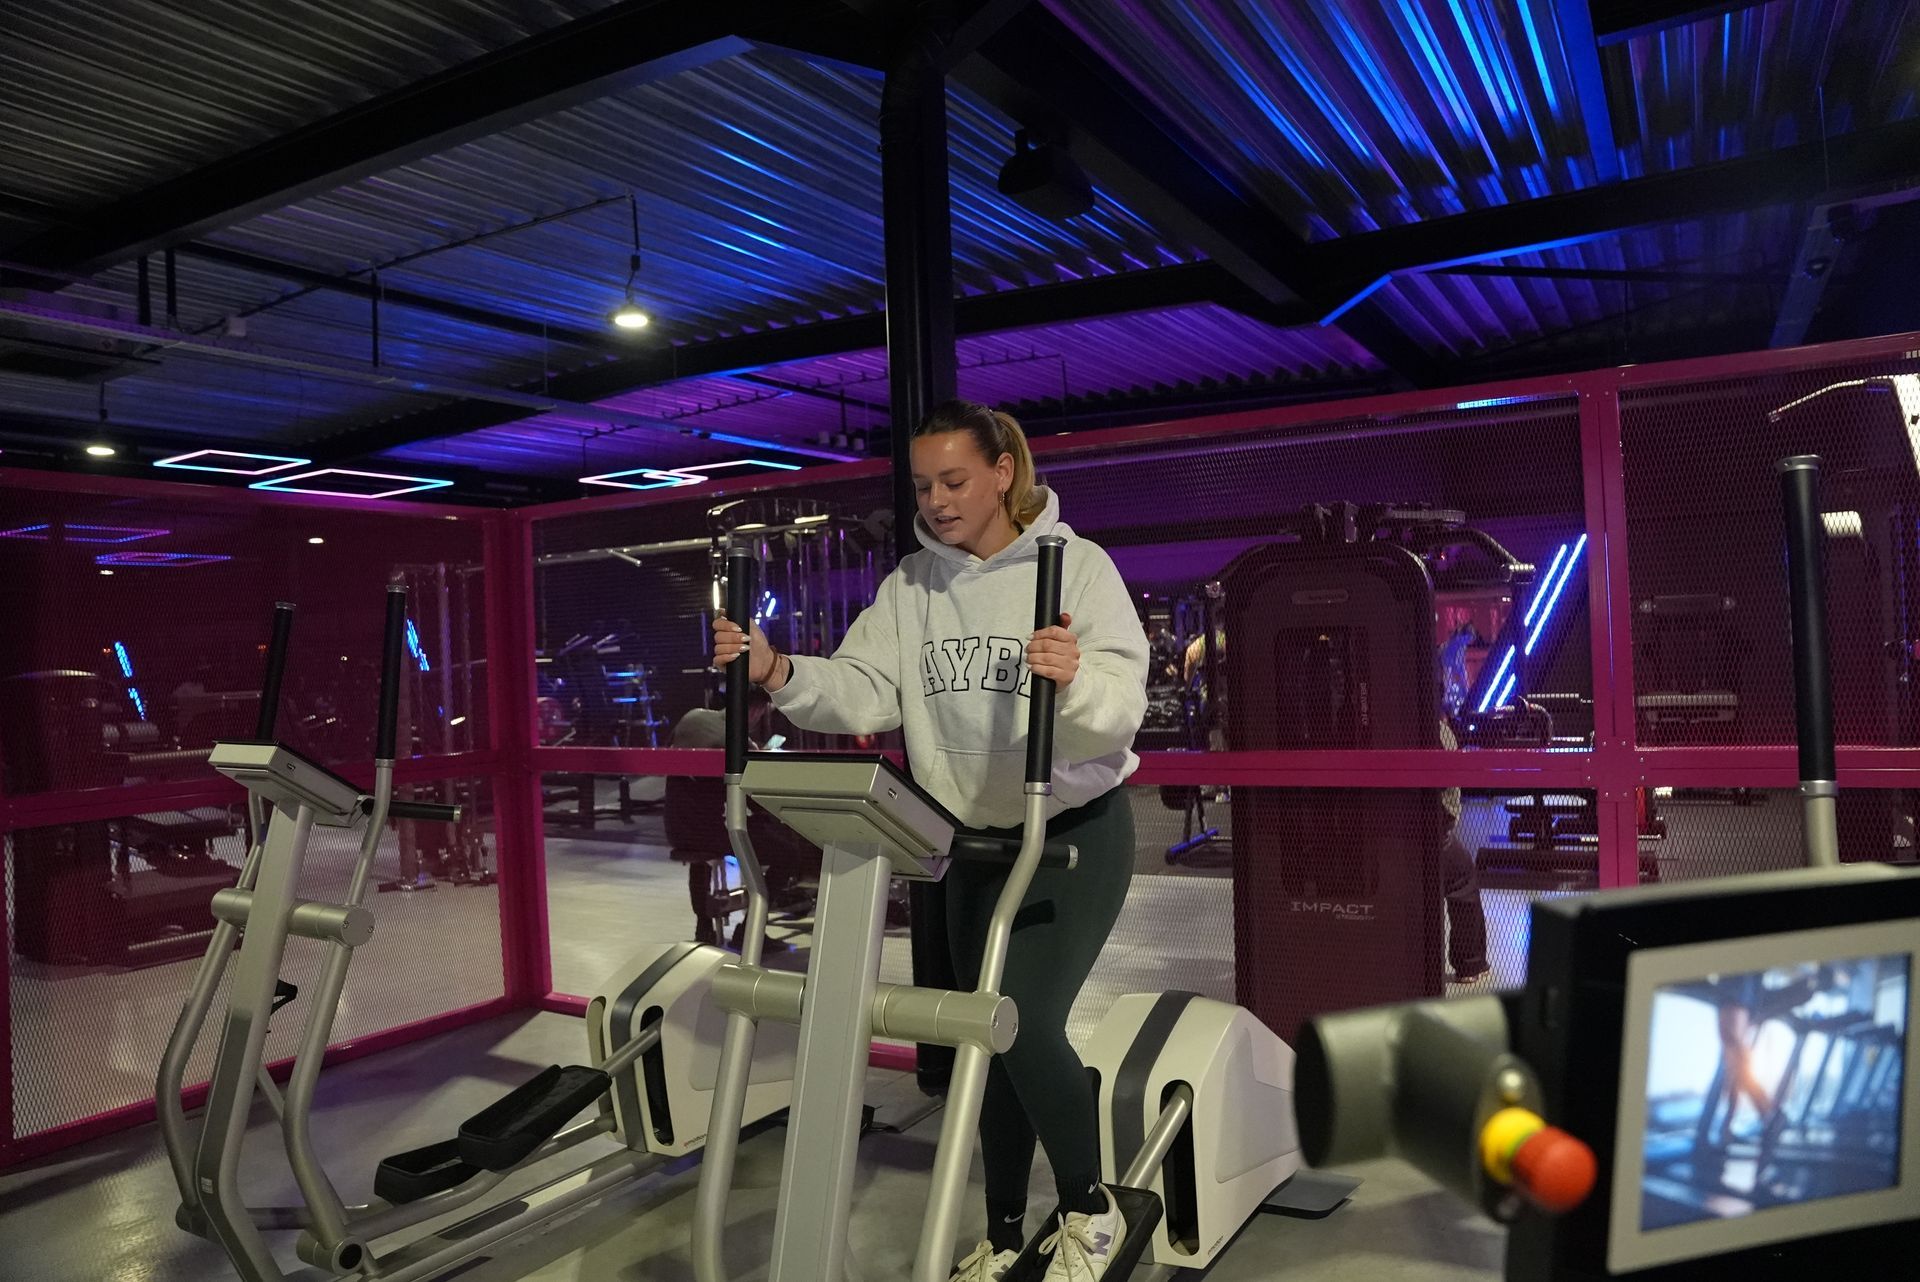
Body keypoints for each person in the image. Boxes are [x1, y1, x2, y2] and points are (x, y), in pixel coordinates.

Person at [713, 399, 1148, 1281]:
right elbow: (866, 687)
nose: (938, 501)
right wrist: (777, 671)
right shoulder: (912, 586)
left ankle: (1089, 1207)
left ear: (1002, 471)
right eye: (923, 486)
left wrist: (1073, 684)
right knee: (979, 1043)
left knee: (1022, 1021)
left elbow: (1121, 706)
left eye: (954, 480)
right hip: (967, 844)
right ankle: (1002, 1231)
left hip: (1069, 833)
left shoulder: (1077, 568)